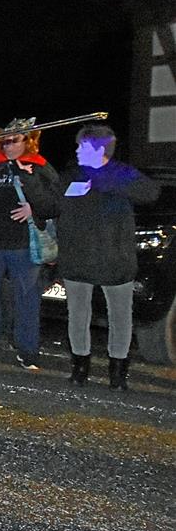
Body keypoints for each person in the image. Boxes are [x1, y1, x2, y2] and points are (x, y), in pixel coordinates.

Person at [56, 125, 159, 390]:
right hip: (77, 260)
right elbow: (51, 204)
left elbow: (151, 192)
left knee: (120, 316)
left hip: (115, 261)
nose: (77, 150)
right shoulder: (70, 176)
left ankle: (118, 373)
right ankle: (80, 368)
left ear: (99, 150)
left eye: (83, 146)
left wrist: (102, 181)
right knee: (77, 315)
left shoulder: (122, 174)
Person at [0, 120, 59, 372]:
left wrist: (33, 206)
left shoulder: (39, 167)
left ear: (26, 141)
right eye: (6, 140)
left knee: (27, 298)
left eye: (15, 140)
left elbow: (53, 205)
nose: (9, 145)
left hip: (24, 245)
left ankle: (27, 350)